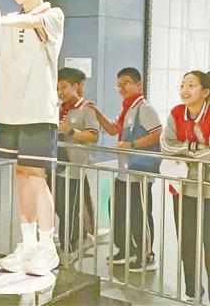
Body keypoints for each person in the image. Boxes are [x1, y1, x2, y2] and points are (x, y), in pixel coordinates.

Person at [0, 0, 63, 276]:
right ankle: (28, 244)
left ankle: (47, 246)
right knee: (20, 175)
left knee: (35, 176)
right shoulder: (7, 21)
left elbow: (31, 22)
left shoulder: (52, 15)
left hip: (38, 112)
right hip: (11, 112)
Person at [88, 68, 162, 272]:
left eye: (126, 83)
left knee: (140, 214)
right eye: (119, 84)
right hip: (124, 172)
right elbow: (113, 130)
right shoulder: (127, 109)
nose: (121, 88)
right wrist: (96, 113)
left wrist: (132, 145)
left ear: (138, 84)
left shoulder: (145, 109)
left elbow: (157, 134)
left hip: (140, 172)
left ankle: (147, 255)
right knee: (117, 209)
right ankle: (126, 249)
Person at [161, 70, 210, 306]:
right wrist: (195, 147)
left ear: (205, 92)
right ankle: (193, 291)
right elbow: (165, 146)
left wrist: (183, 149)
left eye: (192, 85)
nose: (185, 90)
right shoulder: (176, 113)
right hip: (183, 188)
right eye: (183, 85)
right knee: (187, 243)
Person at [56, 68, 99, 264]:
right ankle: (82, 236)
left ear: (76, 87)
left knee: (69, 208)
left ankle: (69, 247)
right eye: (58, 88)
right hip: (57, 166)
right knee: (60, 206)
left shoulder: (86, 109)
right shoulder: (59, 108)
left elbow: (93, 136)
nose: (60, 92)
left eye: (64, 87)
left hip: (74, 167)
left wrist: (71, 132)